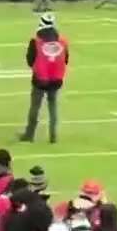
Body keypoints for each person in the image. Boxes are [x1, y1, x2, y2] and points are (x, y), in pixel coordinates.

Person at [20, 13, 68, 144]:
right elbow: (66, 59)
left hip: (40, 80)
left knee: (35, 106)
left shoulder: (35, 41)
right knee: (53, 107)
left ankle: (29, 134)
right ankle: (53, 136)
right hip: (56, 79)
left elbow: (30, 60)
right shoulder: (62, 41)